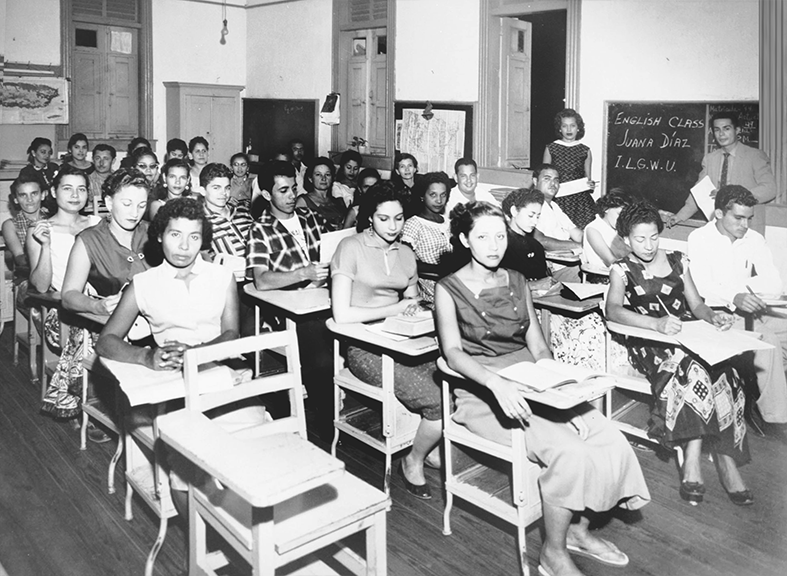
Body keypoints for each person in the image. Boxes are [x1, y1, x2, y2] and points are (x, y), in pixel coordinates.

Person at [435, 201, 649, 576]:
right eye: (483, 236)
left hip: (533, 382)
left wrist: (559, 396)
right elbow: (452, 353)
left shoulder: (517, 280)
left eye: (500, 236)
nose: (494, 244)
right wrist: (496, 383)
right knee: (569, 451)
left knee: (607, 434)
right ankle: (552, 552)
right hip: (485, 391)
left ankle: (578, 531)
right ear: (464, 240)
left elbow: (538, 346)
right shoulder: (447, 288)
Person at [96, 197, 267, 508]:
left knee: (258, 451)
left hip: (221, 377)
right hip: (175, 386)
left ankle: (249, 535)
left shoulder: (221, 277)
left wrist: (198, 352)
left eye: (194, 237)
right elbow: (106, 341)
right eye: (175, 235)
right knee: (188, 469)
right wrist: (145, 356)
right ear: (160, 235)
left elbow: (231, 334)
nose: (184, 246)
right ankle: (201, 546)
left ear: (204, 240)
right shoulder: (143, 284)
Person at [606, 200, 753, 506]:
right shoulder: (621, 269)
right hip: (653, 344)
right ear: (626, 239)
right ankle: (694, 458)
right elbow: (614, 310)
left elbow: (696, 304)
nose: (647, 245)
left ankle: (726, 458)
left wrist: (713, 317)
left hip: (688, 336)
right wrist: (655, 324)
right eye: (639, 239)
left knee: (729, 371)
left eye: (653, 237)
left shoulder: (677, 261)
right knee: (693, 369)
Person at [331, 181, 442, 499]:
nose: (393, 226)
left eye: (398, 218)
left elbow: (412, 301)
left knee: (457, 382)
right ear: (369, 218)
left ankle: (428, 443)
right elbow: (341, 314)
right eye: (384, 219)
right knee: (437, 398)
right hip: (365, 348)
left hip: (401, 341)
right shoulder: (350, 248)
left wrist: (420, 309)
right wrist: (397, 307)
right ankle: (413, 460)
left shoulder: (407, 253)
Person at [40, 168, 151, 437]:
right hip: (116, 327)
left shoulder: (151, 233)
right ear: (109, 202)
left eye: (141, 205)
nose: (134, 212)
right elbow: (68, 296)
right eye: (126, 203)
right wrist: (97, 306)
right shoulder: (89, 240)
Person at [687, 185, 787, 430]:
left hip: (751, 309)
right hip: (717, 315)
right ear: (720, 214)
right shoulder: (699, 239)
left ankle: (766, 390)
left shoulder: (753, 238)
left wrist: (739, 291)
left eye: (749, 218)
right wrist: (734, 295)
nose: (745, 225)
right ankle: (777, 418)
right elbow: (700, 288)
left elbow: (774, 282)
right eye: (738, 218)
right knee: (769, 341)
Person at [666, 110, 776, 228]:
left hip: (747, 225)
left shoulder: (754, 156)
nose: (721, 134)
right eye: (717, 129)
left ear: (737, 130)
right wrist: (679, 216)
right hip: (719, 225)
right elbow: (700, 192)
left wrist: (734, 196)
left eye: (726, 128)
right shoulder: (710, 159)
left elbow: (769, 189)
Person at [246, 160, 328, 290]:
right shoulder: (260, 229)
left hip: (321, 293)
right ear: (267, 195)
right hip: (289, 301)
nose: (292, 196)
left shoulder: (310, 216)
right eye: (284, 191)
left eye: (294, 189)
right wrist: (304, 274)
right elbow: (261, 280)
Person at [401, 171, 454, 304]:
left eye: (443, 195)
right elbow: (406, 263)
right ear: (422, 196)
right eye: (433, 195)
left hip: (453, 279)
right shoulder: (414, 224)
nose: (439, 200)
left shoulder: (448, 222)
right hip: (432, 284)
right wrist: (441, 269)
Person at [543, 109, 596, 229]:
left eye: (572, 126)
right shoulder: (551, 148)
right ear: (559, 129)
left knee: (582, 231)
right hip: (558, 198)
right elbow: (544, 177)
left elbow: (588, 179)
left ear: (578, 128)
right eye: (564, 126)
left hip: (580, 201)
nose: (568, 130)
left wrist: (590, 184)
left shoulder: (585, 150)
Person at [531, 164, 582, 283]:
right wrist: (578, 246)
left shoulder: (554, 206)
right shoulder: (532, 205)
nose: (553, 184)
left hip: (573, 261)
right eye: (547, 179)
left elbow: (577, 234)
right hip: (555, 270)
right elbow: (540, 240)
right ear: (535, 181)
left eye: (556, 180)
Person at [500, 188, 553, 292]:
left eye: (538, 216)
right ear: (514, 211)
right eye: (530, 215)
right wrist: (533, 285)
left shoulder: (535, 246)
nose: (535, 222)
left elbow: (542, 278)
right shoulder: (499, 245)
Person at [200, 162, 253, 259]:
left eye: (227, 188)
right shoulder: (201, 222)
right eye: (216, 188)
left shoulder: (243, 212)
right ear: (203, 191)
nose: (223, 193)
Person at [3, 174, 47, 274]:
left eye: (34, 193)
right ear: (15, 199)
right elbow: (19, 258)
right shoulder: (10, 225)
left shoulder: (52, 219)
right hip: (27, 277)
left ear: (43, 195)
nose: (29, 200)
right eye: (23, 195)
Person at [581, 189, 630, 273]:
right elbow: (611, 260)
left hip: (620, 274)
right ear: (606, 209)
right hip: (602, 278)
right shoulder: (592, 229)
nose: (621, 220)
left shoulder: (615, 230)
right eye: (619, 214)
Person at [295, 157, 347, 232]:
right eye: (318, 174)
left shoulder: (337, 201)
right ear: (310, 179)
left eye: (327, 174)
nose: (323, 178)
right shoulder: (303, 201)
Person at [87, 144, 116, 215]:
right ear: (93, 160)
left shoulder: (121, 179)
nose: (101, 163)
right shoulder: (86, 181)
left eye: (105, 159)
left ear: (113, 161)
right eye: (97, 158)